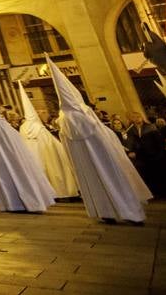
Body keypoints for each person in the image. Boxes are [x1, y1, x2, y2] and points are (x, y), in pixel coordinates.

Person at [47, 59, 150, 224]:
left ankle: (105, 211)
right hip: (103, 156)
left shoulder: (63, 120)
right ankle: (130, 212)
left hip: (84, 162)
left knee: (94, 183)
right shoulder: (85, 113)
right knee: (113, 180)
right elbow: (104, 133)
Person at [0, 83, 55, 213]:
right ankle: (31, 203)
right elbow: (13, 140)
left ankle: (11, 203)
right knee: (20, 176)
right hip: (12, 156)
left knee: (5, 179)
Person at [123, 111, 164, 196]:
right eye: (134, 117)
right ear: (131, 119)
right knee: (149, 176)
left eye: (138, 116)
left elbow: (159, 142)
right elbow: (130, 144)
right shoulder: (131, 130)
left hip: (154, 155)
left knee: (159, 174)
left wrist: (160, 153)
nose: (137, 118)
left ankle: (162, 192)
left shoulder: (150, 127)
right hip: (142, 157)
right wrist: (131, 151)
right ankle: (154, 193)